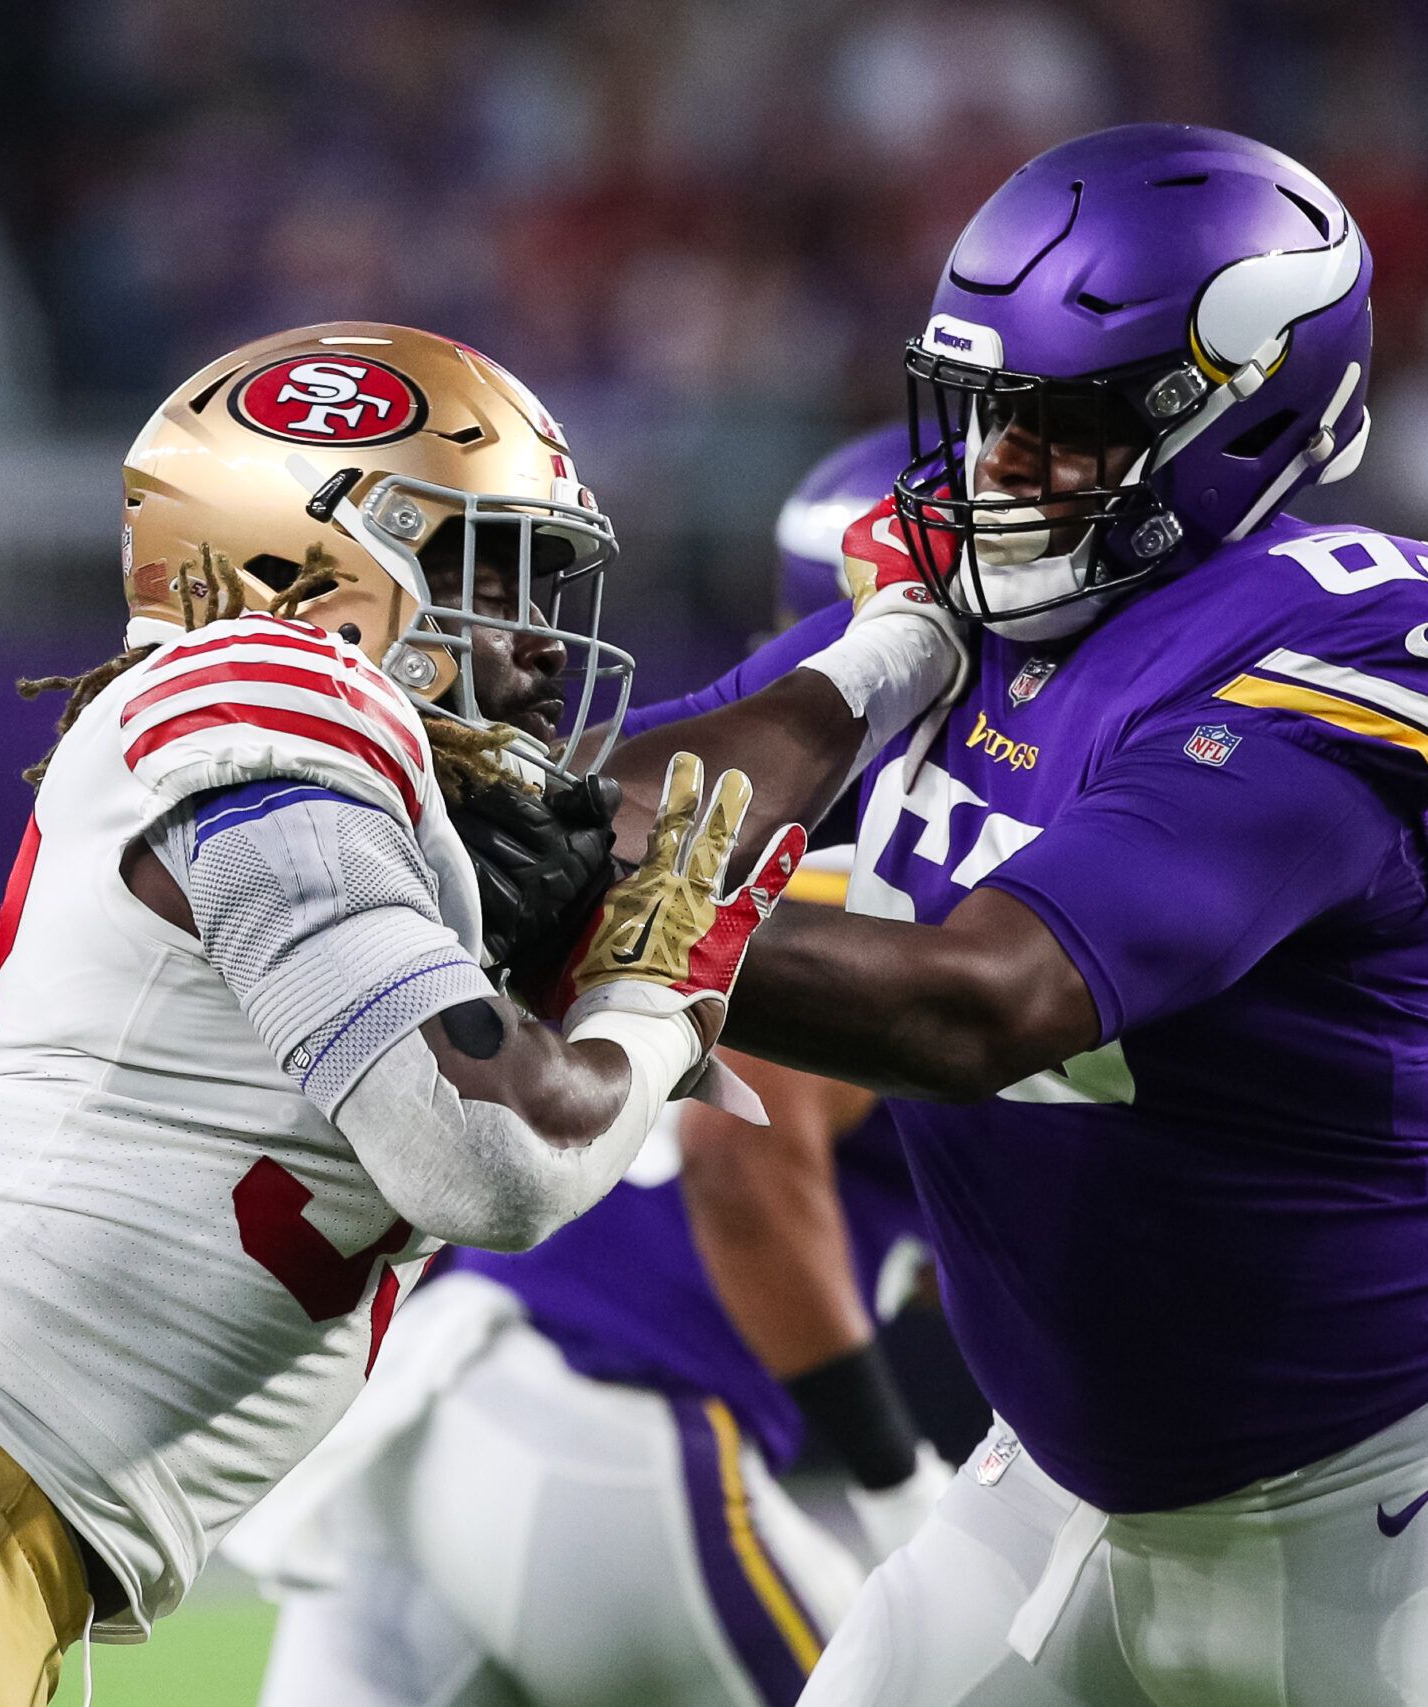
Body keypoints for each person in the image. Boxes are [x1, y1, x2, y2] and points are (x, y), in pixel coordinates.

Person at [515, 126, 1428, 1706]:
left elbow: (986, 1002)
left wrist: (578, 915)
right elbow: (615, 815)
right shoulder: (956, 623)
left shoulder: (1361, 627)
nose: (993, 470)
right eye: (980, 417)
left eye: (1062, 427)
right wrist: (868, 656)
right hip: (1066, 1499)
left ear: (1243, 417)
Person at [0, 323, 799, 1707]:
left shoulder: (378, 837)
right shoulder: (265, 698)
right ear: (314, 565)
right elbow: (487, 1162)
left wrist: (907, 644)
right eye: (489, 577)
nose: (538, 649)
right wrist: (654, 1007)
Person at [235, 426, 955, 1707]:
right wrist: (889, 1469)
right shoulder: (889, 883)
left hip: (451, 1394)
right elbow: (748, 1157)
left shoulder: (683, 829)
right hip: (615, 1419)